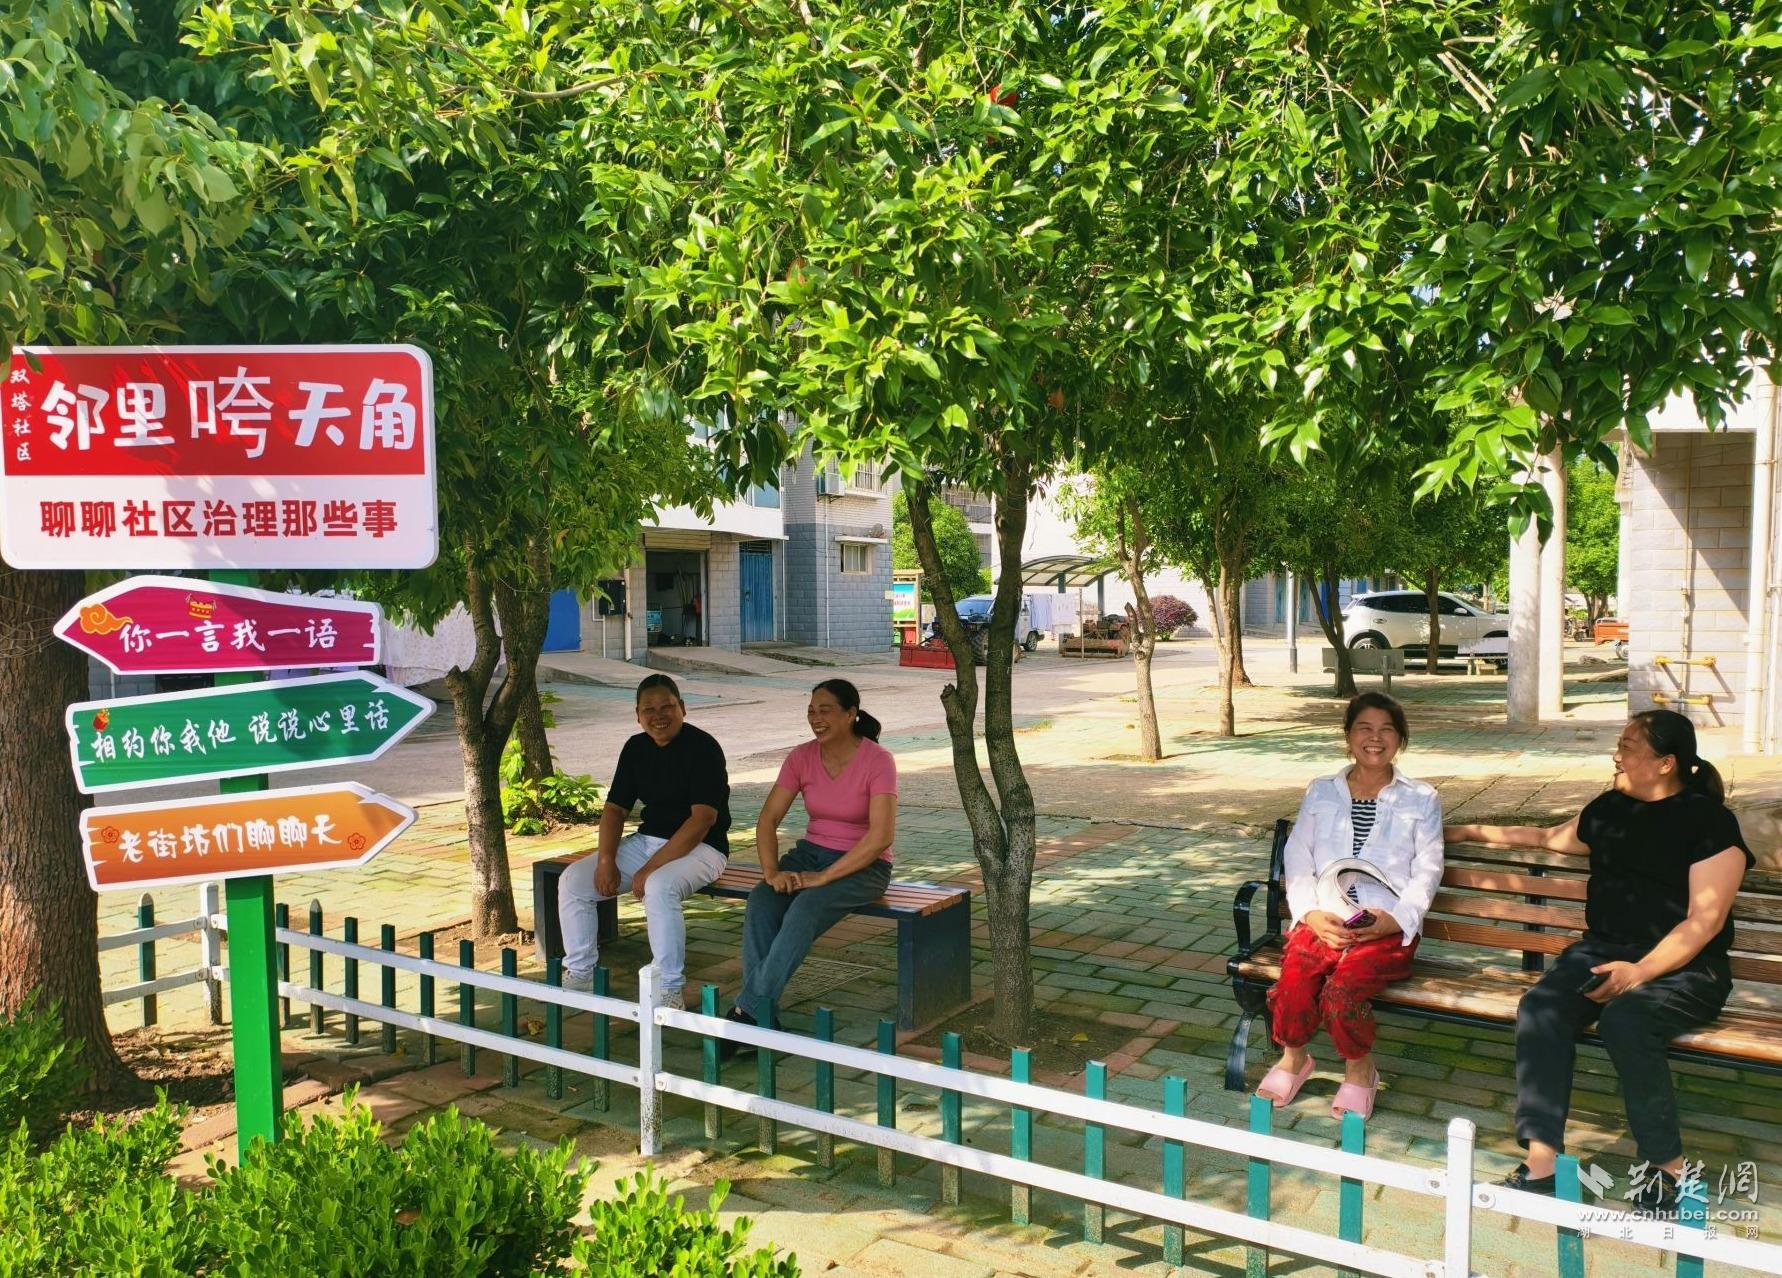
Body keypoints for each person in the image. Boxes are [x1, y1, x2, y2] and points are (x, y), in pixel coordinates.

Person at [1445, 710, 1753, 1213]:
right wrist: (1464, 832)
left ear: (1665, 763)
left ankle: (1668, 1169)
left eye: (1628, 747)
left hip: (1687, 968)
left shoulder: (1710, 824)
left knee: (1626, 1021)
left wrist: (1640, 973)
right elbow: (1547, 838)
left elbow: (1704, 922)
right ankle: (1542, 1162)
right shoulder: (1610, 808)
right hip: (1602, 954)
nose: (1617, 755)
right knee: (1541, 1009)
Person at [1255, 692, 1445, 1118]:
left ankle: (1360, 1070)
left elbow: (1429, 868)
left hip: (1384, 925)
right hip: (1325, 915)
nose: (1375, 738)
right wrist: (1310, 913)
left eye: (1387, 730)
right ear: (1348, 736)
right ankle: (1294, 1058)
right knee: (1296, 977)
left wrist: (1396, 919)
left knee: (1341, 992)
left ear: (1400, 739)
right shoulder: (1322, 791)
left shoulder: (1421, 797)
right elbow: (1298, 854)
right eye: (1365, 728)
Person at [723, 679, 896, 1050]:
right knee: (762, 901)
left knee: (805, 908)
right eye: (811, 711)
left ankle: (746, 1013)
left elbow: (881, 836)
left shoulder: (878, 760)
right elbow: (768, 819)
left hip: (865, 865)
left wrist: (824, 877)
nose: (816, 718)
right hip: (810, 854)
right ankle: (759, 1017)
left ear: (851, 714)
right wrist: (771, 872)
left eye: (826, 710)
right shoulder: (801, 757)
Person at [558, 674, 730, 1009]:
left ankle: (668, 988)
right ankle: (580, 973)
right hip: (647, 842)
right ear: (637, 715)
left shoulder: (703, 748)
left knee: (659, 886)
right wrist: (606, 860)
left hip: (703, 849)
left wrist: (650, 869)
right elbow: (615, 808)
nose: (658, 716)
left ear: (682, 708)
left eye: (667, 706)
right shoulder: (635, 748)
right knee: (573, 881)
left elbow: (703, 820)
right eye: (648, 709)